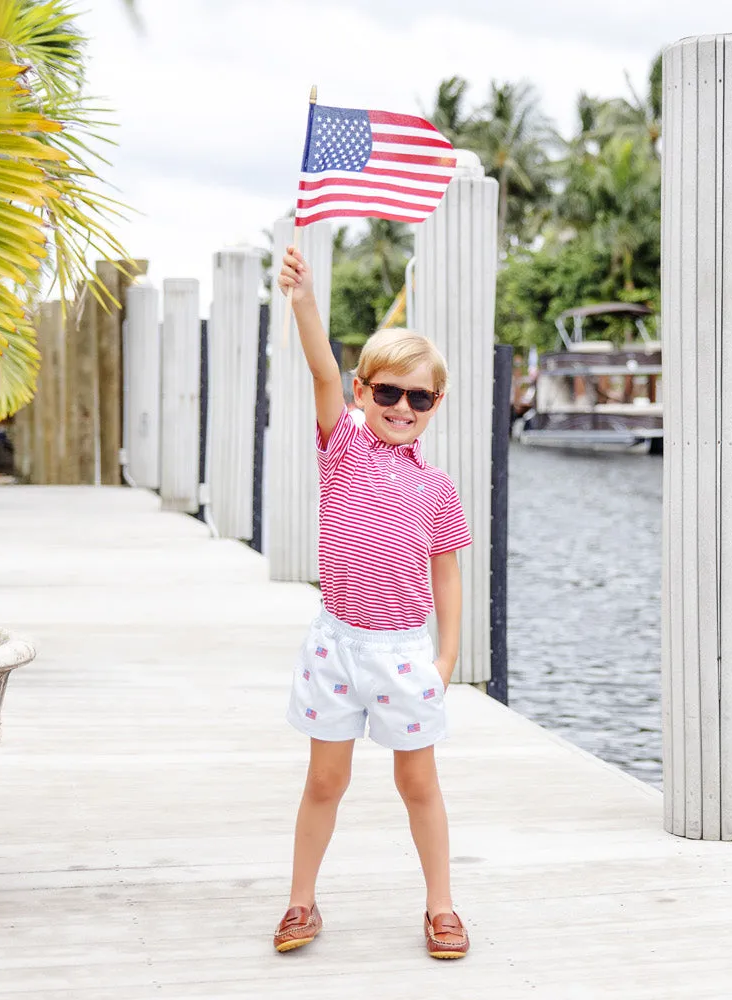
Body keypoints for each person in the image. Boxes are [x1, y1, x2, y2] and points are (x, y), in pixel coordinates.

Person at [272, 246, 472, 960]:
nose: (401, 409)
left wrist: (446, 656)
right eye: (388, 393)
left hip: (403, 652)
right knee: (325, 779)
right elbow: (321, 368)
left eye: (419, 398)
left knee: (418, 782)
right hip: (337, 645)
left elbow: (447, 574)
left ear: (435, 405)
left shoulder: (438, 488)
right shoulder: (344, 449)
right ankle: (301, 900)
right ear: (363, 393)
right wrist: (304, 302)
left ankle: (441, 906)